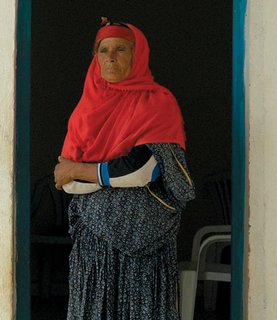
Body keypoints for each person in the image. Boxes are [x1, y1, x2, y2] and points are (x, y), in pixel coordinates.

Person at [54, 17, 195, 320]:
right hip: (95, 241)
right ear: (95, 57)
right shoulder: (85, 109)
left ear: (138, 54)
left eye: (121, 49)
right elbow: (67, 182)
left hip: (145, 239)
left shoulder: (157, 102)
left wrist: (82, 170)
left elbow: (142, 170)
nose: (111, 58)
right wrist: (105, 175)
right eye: (103, 50)